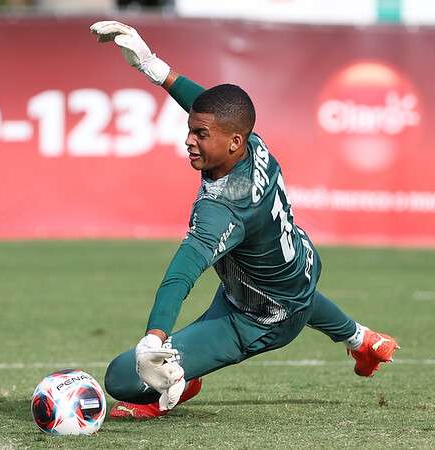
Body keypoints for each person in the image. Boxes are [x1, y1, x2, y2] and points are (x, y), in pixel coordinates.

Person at [90, 21, 400, 419]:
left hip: (259, 316)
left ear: (232, 141)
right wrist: (152, 65)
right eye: (190, 131)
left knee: (122, 378)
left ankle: (187, 378)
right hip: (300, 267)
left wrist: (154, 339)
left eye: (200, 134)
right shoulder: (251, 142)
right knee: (290, 292)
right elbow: (213, 108)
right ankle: (361, 339)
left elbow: (181, 274)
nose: (189, 140)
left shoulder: (225, 209)